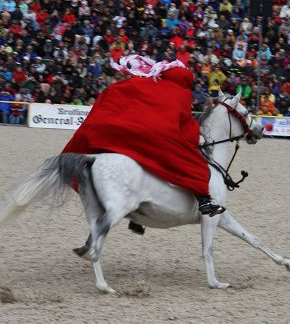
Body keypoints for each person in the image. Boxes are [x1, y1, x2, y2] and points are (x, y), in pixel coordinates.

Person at [62, 56, 226, 234]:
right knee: (195, 164)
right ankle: (204, 201)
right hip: (162, 135)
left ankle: (138, 216)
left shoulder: (152, 84)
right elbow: (185, 125)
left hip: (136, 132)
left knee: (138, 159)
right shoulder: (182, 92)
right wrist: (196, 136)